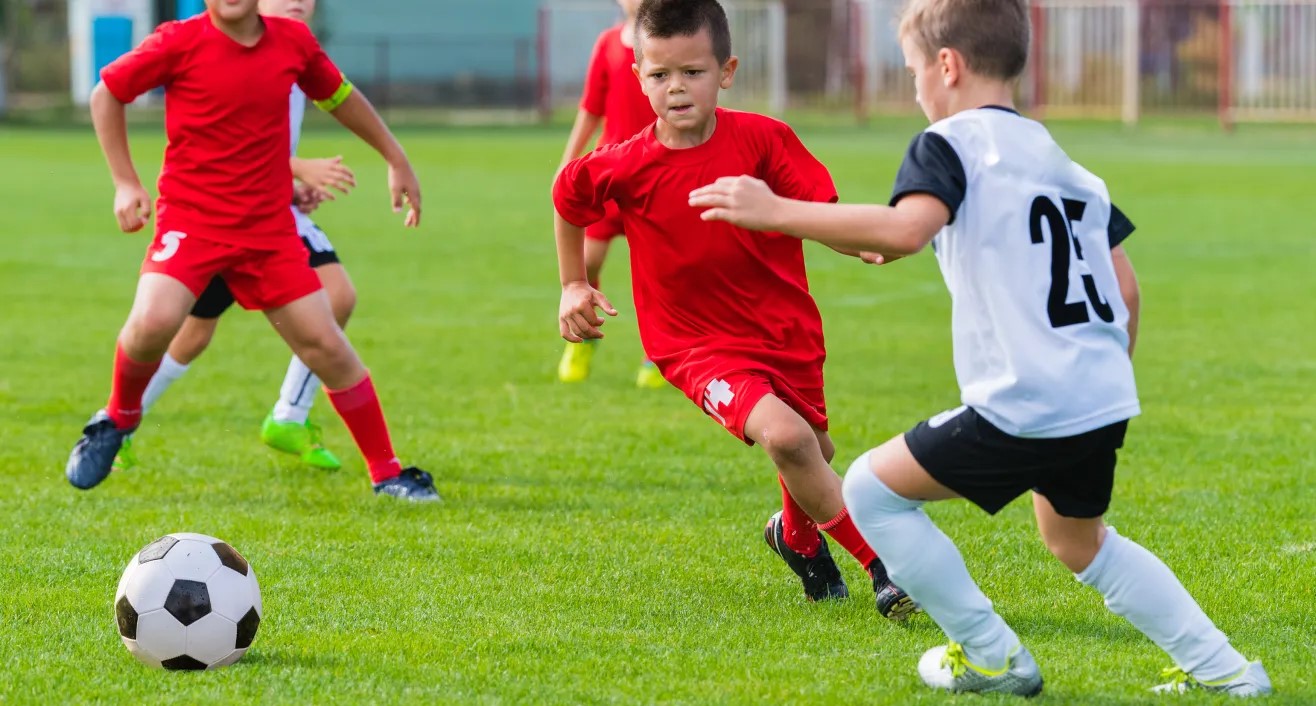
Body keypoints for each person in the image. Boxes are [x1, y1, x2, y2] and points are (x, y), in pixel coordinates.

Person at [688, 0, 1271, 695]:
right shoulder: (1059, 159)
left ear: (947, 66)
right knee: (1079, 544)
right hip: (1099, 392)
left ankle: (993, 655)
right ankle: (1230, 673)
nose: (914, 91)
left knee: (871, 491)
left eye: (911, 73)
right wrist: (1099, 379)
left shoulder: (949, 142)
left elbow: (906, 228)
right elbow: (1127, 287)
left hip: (1025, 399)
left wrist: (774, 210)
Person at [553, 0, 912, 619]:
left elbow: (817, 212)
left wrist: (858, 244)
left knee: (814, 453)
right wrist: (572, 283)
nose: (676, 88)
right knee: (787, 436)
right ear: (637, 73)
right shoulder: (627, 164)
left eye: (692, 72)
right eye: (659, 74)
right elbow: (567, 197)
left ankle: (796, 538)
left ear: (726, 71)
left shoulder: (765, 140)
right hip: (692, 346)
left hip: (784, 329)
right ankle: (886, 566)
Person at [67, 0, 439, 501]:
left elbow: (342, 98)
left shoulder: (293, 43)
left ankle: (388, 473)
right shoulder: (178, 41)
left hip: (267, 235)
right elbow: (106, 93)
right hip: (192, 223)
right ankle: (117, 418)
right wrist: (124, 183)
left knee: (328, 345)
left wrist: (396, 157)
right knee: (154, 321)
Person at [118, 0, 357, 473]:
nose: (298, 2)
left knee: (338, 296)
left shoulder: (295, 52)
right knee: (192, 334)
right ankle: (117, 422)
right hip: (220, 220)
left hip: (271, 215)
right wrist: (297, 169)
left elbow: (261, 144)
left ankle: (290, 413)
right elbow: (229, 142)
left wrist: (291, 187)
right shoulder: (233, 46)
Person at [556, 0, 665, 389]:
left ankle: (659, 354)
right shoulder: (606, 44)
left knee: (658, 271)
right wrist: (568, 161)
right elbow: (590, 108)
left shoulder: (666, 45)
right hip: (610, 175)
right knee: (585, 259)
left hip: (656, 176)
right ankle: (584, 337)